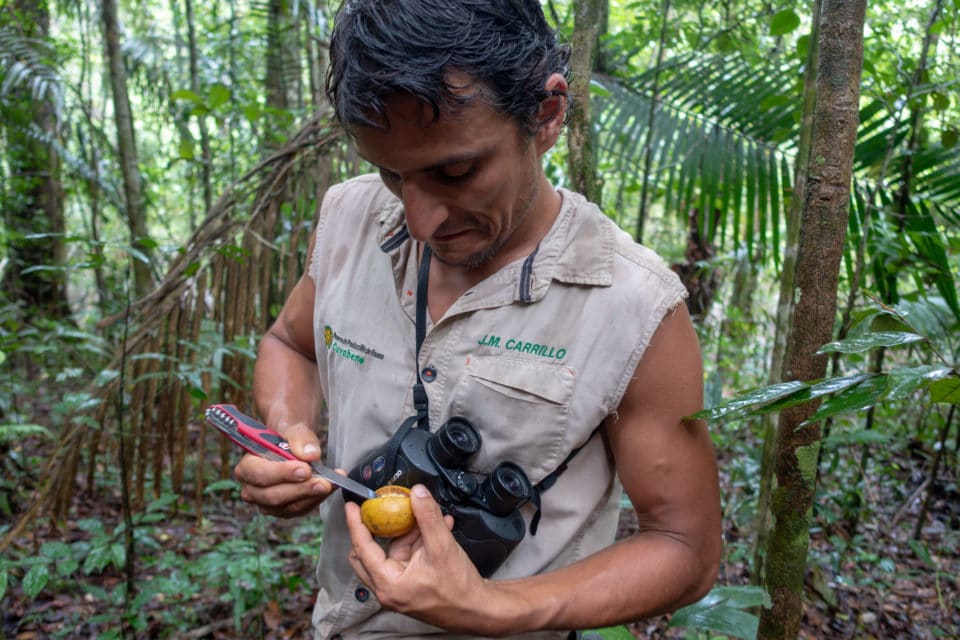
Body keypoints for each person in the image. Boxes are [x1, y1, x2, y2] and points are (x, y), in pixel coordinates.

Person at [234, 1, 722, 638]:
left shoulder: (631, 305)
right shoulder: (350, 217)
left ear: (546, 115)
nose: (417, 221)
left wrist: (494, 609)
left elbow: (686, 548)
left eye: (455, 172)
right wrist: (288, 429)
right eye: (391, 174)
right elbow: (289, 343)